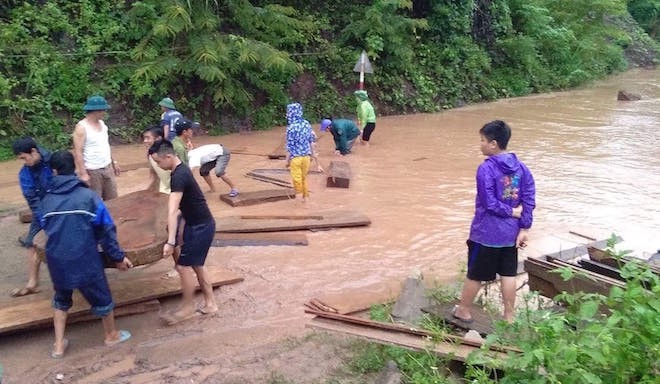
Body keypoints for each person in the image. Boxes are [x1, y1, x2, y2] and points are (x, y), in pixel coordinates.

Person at [38, 151, 133, 358]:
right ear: (74, 169)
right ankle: (111, 335)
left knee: (61, 299)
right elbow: (107, 230)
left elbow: (45, 226)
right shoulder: (89, 197)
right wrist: (118, 257)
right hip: (85, 259)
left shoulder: (45, 201)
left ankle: (58, 346)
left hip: (57, 259)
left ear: (53, 171)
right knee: (102, 297)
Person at [452, 120, 535, 324]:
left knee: (475, 274)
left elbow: (489, 203)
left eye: (482, 140)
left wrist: (513, 213)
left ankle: (463, 310)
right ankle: (509, 316)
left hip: (486, 233)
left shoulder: (486, 169)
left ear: (493, 144)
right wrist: (524, 225)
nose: (480, 144)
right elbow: (529, 197)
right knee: (508, 274)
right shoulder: (522, 169)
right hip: (510, 235)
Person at [149, 140, 219, 324]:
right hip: (197, 224)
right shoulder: (180, 171)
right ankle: (210, 304)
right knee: (196, 265)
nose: (158, 166)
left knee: (183, 266)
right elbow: (182, 207)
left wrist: (171, 242)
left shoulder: (179, 176)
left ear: (169, 156)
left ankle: (187, 308)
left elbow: (172, 210)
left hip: (201, 227)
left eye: (159, 162)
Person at [10, 137, 53, 297]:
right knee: (32, 243)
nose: (24, 162)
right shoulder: (25, 174)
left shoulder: (52, 161)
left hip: (61, 207)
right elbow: (33, 202)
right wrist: (45, 222)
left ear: (34, 152)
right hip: (42, 211)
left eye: (24, 158)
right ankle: (32, 282)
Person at [72, 95, 121, 201]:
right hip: (92, 170)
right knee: (95, 202)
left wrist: (114, 162)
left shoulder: (103, 125)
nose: (104, 112)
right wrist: (83, 174)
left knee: (113, 199)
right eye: (103, 110)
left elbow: (105, 144)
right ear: (95, 111)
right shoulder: (81, 128)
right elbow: (78, 152)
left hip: (107, 167)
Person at [285, 103, 314, 202]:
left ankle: (298, 206)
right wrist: (312, 156)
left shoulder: (291, 128)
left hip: (296, 158)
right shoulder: (306, 123)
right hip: (306, 157)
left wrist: (286, 161)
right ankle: (306, 201)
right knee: (303, 179)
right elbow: (311, 141)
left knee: (297, 182)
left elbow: (289, 147)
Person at [142, 126, 171, 194]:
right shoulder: (150, 155)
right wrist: (142, 192)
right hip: (163, 192)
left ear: (158, 139)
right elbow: (153, 176)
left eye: (148, 138)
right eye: (144, 138)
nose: (145, 141)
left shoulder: (169, 155)